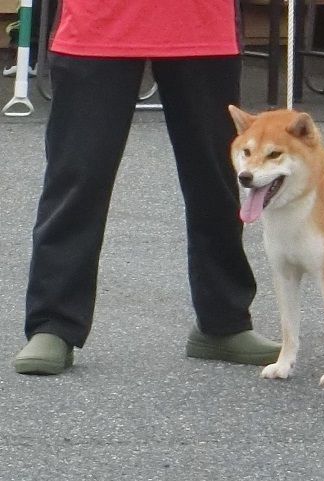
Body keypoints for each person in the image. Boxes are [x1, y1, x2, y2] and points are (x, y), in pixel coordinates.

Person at [13, 0, 281, 375]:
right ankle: (52, 324)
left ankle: (223, 320)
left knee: (215, 178)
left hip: (202, 24)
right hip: (98, 23)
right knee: (77, 178)